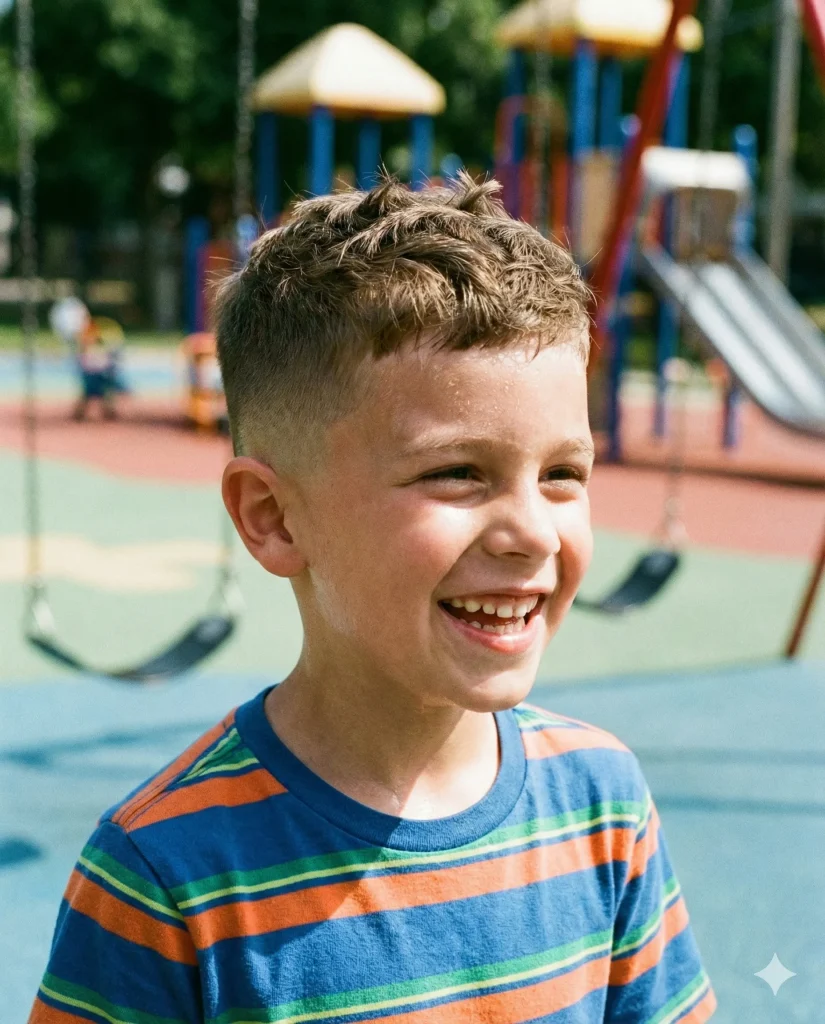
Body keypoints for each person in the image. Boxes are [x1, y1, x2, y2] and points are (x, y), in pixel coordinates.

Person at [29, 175, 716, 1023]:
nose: (531, 532)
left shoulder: (602, 802)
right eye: (457, 473)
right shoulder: (166, 874)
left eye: (562, 474)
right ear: (274, 518)